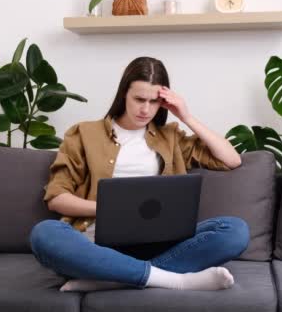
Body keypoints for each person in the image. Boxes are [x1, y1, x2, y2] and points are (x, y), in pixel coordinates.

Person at [29, 57, 249, 292]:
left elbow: (231, 160)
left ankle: (112, 277)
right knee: (44, 234)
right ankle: (173, 280)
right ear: (124, 94)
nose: (146, 109)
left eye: (154, 102)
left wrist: (186, 116)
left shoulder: (171, 138)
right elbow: (57, 197)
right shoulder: (84, 134)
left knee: (235, 230)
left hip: (160, 243)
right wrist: (111, 208)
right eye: (139, 99)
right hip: (95, 245)